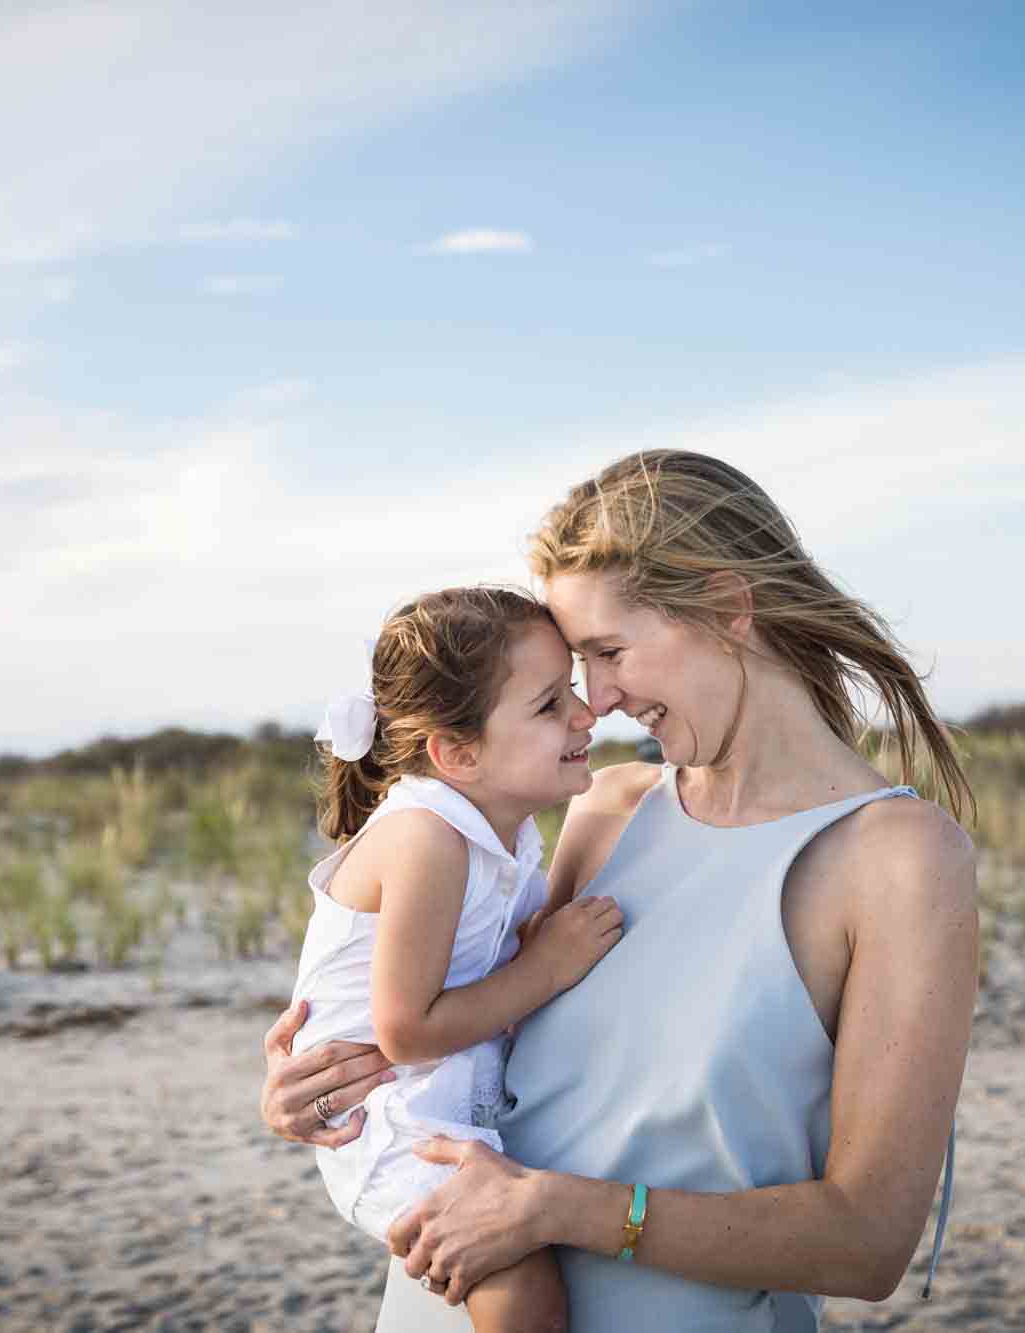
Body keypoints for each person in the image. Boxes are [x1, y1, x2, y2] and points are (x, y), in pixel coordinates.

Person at [262, 450, 979, 1331]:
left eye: (607, 652)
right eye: (574, 669)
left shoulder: (901, 859)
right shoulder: (604, 811)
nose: (594, 700)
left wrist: (562, 1209)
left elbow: (868, 1243)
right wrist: (327, 1085)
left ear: (726, 608)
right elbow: (466, 1036)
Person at [291, 585, 627, 1333]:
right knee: (519, 1277)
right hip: (383, 1119)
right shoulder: (427, 839)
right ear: (458, 752)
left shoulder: (502, 832)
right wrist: (546, 967)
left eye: (572, 687)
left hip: (436, 1093)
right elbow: (406, 1029)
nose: (585, 714)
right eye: (548, 704)